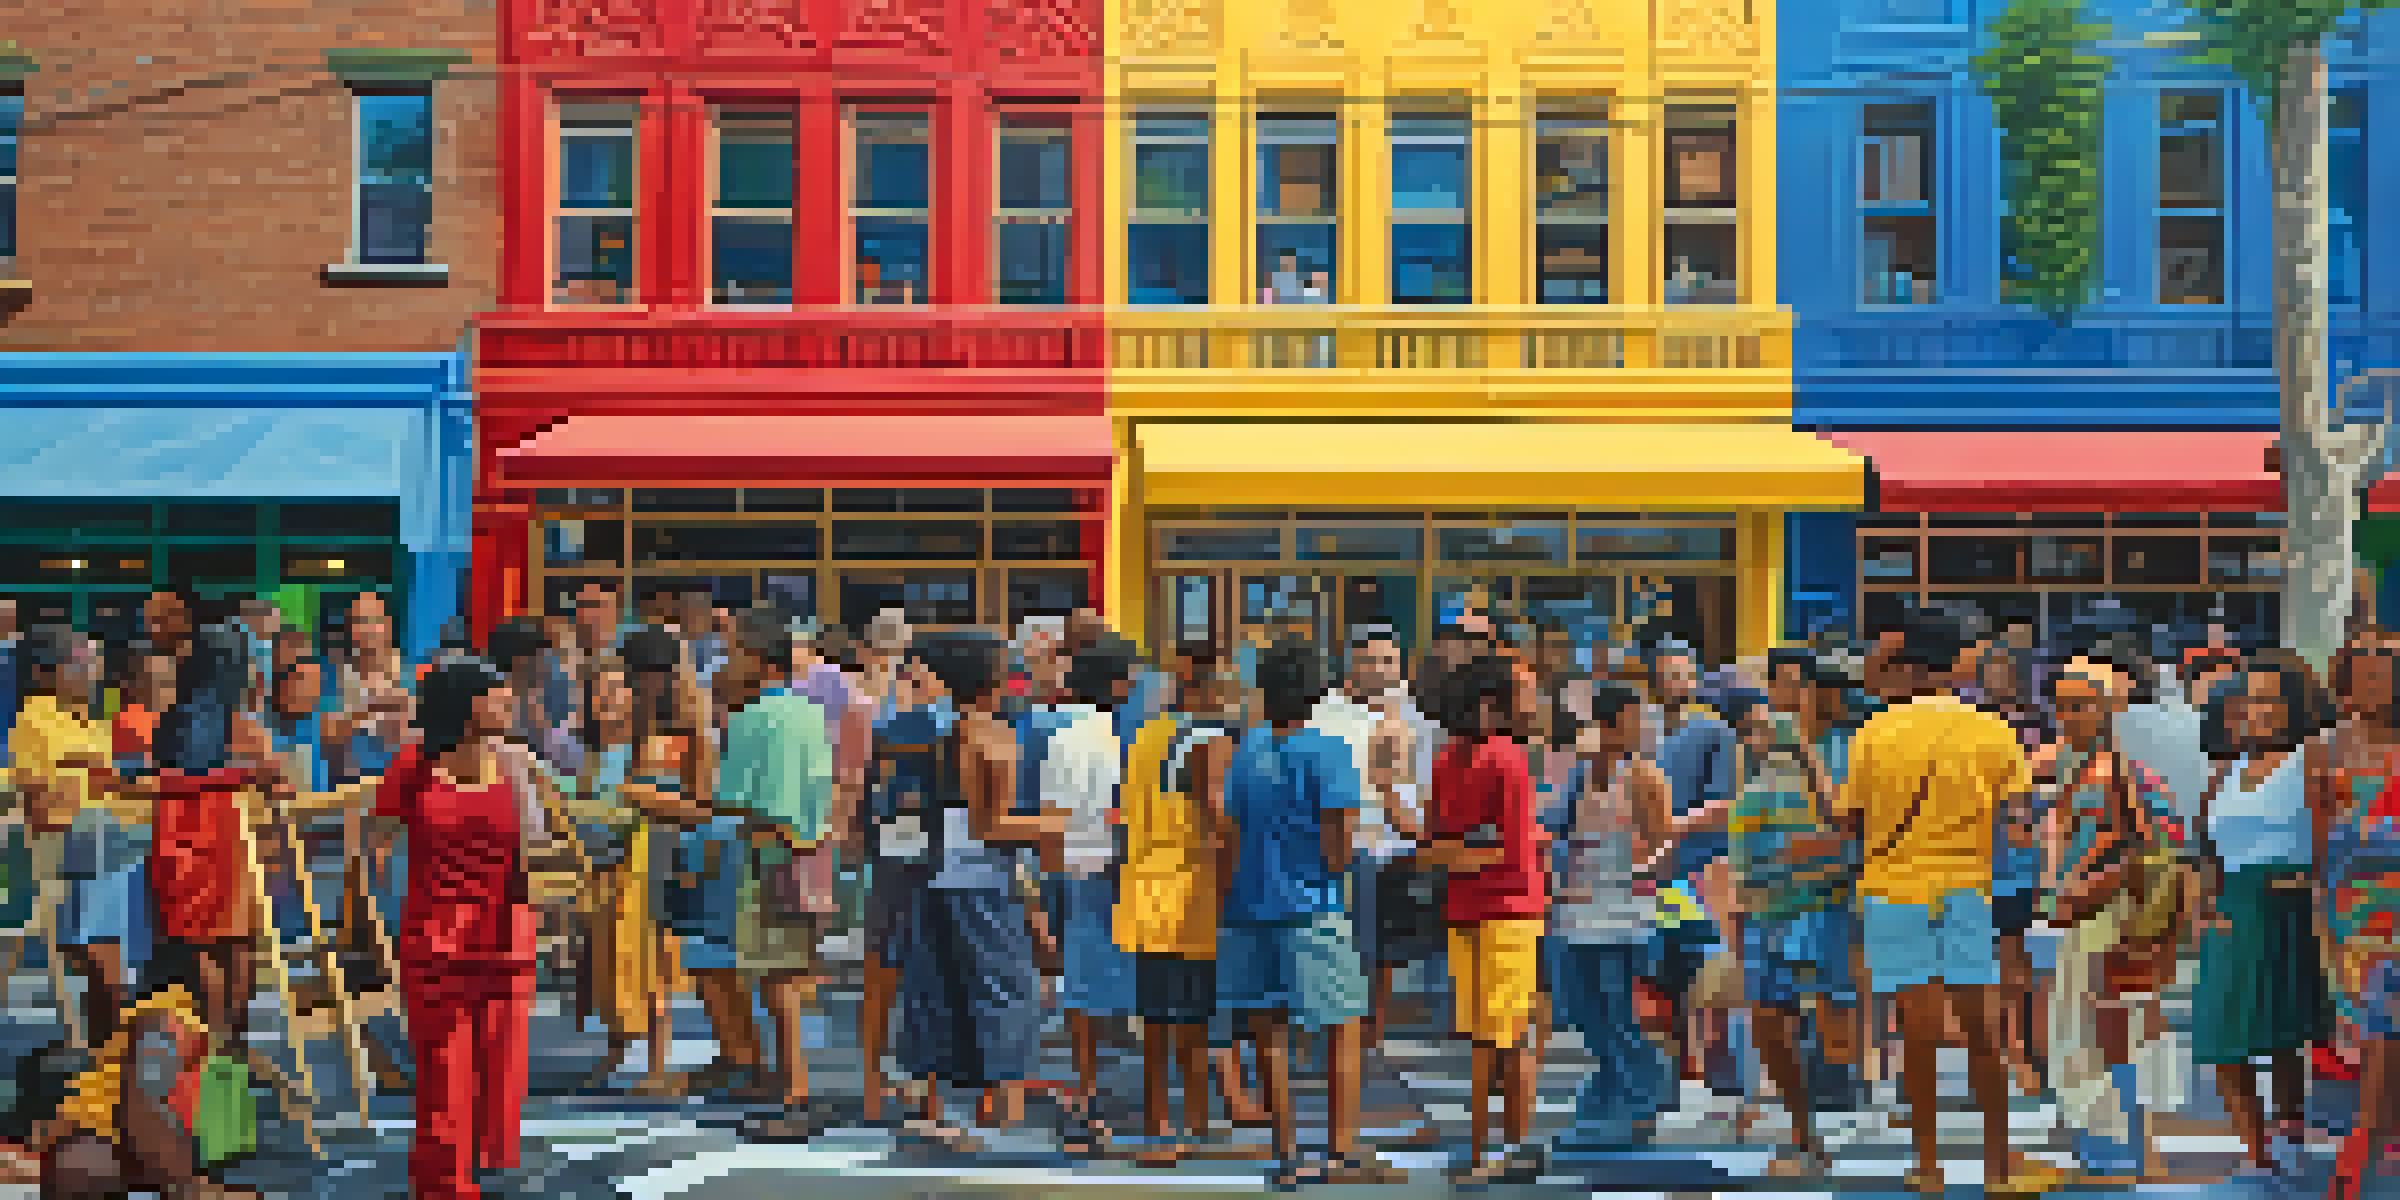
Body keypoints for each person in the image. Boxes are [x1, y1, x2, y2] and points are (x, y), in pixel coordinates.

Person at [1839, 616, 2064, 1195]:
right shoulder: (1993, 731)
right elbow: (2019, 820)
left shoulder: (1873, 731)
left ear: (1910, 668)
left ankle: (1930, 1167)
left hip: (1891, 890)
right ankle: (1997, 1168)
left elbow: (1850, 818)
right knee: (1982, 1029)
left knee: (1916, 1030)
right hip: (1966, 889)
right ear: (1951, 667)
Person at [372, 656, 574, 1200]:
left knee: (496, 1070)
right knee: (443, 1070)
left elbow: (550, 838)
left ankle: (476, 1165)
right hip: (435, 935)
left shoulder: (514, 762)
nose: (507, 702)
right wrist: (366, 920)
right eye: (495, 695)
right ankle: (444, 1183)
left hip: (506, 933)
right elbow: (373, 843)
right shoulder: (413, 765)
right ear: (463, 707)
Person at [1217, 638, 1387, 1188]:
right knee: (1340, 1028)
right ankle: (1339, 1151)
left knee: (1269, 1031)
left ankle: (1284, 1151)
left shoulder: (1247, 750)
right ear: (1316, 692)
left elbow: (1234, 830)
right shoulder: (1329, 750)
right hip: (1313, 906)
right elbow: (1339, 845)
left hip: (1249, 905)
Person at [894, 632, 1063, 1148]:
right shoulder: (994, 735)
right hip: (984, 879)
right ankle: (1003, 1113)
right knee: (1008, 990)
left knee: (936, 989)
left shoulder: (941, 732)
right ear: (990, 679)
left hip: (936, 872)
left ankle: (929, 1108)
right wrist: (1056, 824)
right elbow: (992, 825)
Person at [2034, 658, 2180, 1181]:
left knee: (2107, 1025)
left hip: (2109, 913)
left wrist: (2097, 884)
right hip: (2076, 913)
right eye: (2063, 705)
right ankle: (2102, 1135)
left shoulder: (2124, 769)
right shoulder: (2073, 766)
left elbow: (2158, 843)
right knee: (2081, 1027)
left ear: (2109, 708)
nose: (2071, 715)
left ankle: (2122, 1140)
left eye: (2083, 705)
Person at [2193, 653, 2332, 1175]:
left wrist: (2307, 886)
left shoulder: (2310, 757)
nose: (2256, 711)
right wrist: (2203, 905)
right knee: (2219, 1036)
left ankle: (2287, 1134)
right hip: (2231, 909)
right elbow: (2205, 847)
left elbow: (2330, 835)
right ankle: (2256, 1151)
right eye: (2246, 701)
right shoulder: (2223, 770)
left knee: (2281, 1031)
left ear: (2292, 706)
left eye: (2269, 700)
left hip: (2288, 906)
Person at [1425, 653, 1551, 1183]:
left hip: (1464, 910)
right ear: (1490, 704)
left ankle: (1478, 1151)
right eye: (1520, 692)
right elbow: (1517, 856)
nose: (1530, 701)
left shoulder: (1446, 759)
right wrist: (1527, 841)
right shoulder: (1509, 759)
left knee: (1480, 1036)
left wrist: (1463, 853)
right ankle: (1514, 1148)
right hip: (1511, 911)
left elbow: (1433, 846)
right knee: (1513, 1037)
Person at [719, 606, 842, 1141]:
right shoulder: (810, 712)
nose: (725, 664)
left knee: (777, 987)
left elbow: (734, 800)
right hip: (811, 858)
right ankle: (794, 1089)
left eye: (733, 653)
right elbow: (828, 786)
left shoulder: (749, 718)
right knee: (792, 978)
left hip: (767, 854)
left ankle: (794, 1094)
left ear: (757, 659)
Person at [1724, 686, 1855, 1179]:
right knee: (1787, 1025)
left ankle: (1805, 1130)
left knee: (1793, 1024)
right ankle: (1805, 1131)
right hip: (1793, 917)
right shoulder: (1766, 797)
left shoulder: (1787, 795)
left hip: (1795, 918)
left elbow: (1830, 853)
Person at [1545, 679, 1673, 1150]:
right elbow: (1551, 823)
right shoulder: (1577, 772)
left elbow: (1663, 845)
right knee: (1578, 1007)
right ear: (1609, 723)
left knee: (1618, 1011)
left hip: (1623, 912)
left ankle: (1637, 1100)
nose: (1641, 729)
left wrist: (1640, 872)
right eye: (1633, 720)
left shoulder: (1645, 777)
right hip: (1574, 908)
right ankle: (1627, 1086)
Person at [559, 650, 679, 1098]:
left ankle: (656, 1064)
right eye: (598, 692)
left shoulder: (651, 748)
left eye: (616, 690)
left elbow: (664, 808)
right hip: (603, 869)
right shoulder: (588, 754)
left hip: (646, 869)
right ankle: (615, 1051)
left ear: (632, 697)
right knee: (606, 968)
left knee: (651, 970)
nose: (607, 700)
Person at [14, 628, 139, 1050]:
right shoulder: (36, 718)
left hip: (104, 843)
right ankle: (117, 1034)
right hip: (66, 848)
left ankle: (120, 1032)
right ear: (51, 671)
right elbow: (42, 804)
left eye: (95, 664)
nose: (94, 673)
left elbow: (111, 788)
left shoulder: (93, 722)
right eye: (85, 663)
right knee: (112, 843)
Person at [1045, 635, 1139, 1153]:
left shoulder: (1057, 732)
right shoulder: (1120, 735)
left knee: (1080, 994)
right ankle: (1145, 1106)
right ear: (1119, 684)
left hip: (1071, 868)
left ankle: (1086, 1097)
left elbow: (1050, 811)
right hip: (1120, 869)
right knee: (1143, 991)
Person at [2323, 635, 2400, 1200]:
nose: (2374, 687)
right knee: (2370, 1029)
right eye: (2365, 676)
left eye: (2383, 675)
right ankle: (2381, 1130)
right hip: (2348, 907)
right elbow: (2320, 839)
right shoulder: (2326, 750)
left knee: (2383, 1025)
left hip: (2395, 907)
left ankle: (2365, 1138)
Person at [1649, 640, 1740, 1095]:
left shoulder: (1715, 733)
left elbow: (1723, 804)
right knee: (1662, 970)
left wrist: (1671, 825)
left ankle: (1712, 1069)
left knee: (1705, 970)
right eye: (1666, 672)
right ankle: (1675, 1068)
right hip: (1654, 875)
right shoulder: (1642, 730)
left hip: (1698, 872)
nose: (1673, 681)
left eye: (1681, 673)